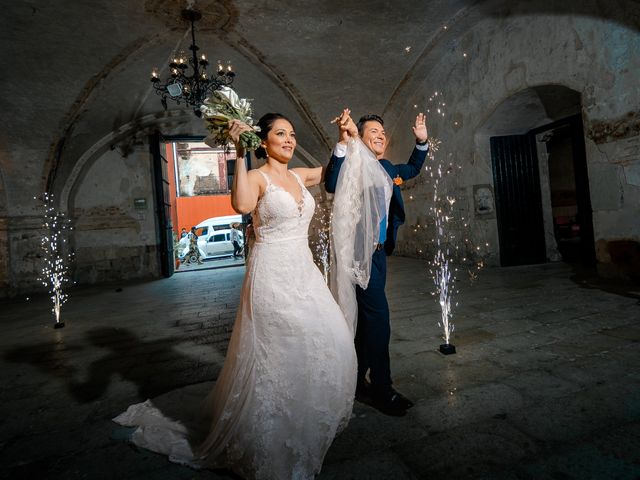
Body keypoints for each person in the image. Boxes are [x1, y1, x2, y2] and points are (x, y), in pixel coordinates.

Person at [115, 113, 356, 479]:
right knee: (283, 347)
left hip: (304, 273)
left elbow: (332, 172)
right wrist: (240, 153)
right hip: (272, 274)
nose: (290, 140)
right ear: (263, 141)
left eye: (292, 134)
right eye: (281, 134)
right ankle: (272, 432)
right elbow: (242, 206)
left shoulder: (298, 175)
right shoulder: (257, 177)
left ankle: (305, 416)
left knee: (332, 336)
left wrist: (343, 139)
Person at [325, 109, 429, 417]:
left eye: (382, 131)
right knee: (379, 322)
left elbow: (410, 169)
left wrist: (421, 143)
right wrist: (342, 145)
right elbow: (332, 183)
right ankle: (383, 389)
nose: (381, 134)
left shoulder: (385, 168)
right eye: (373, 131)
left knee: (367, 324)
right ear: (359, 136)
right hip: (360, 256)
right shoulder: (352, 167)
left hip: (380, 254)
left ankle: (355, 381)